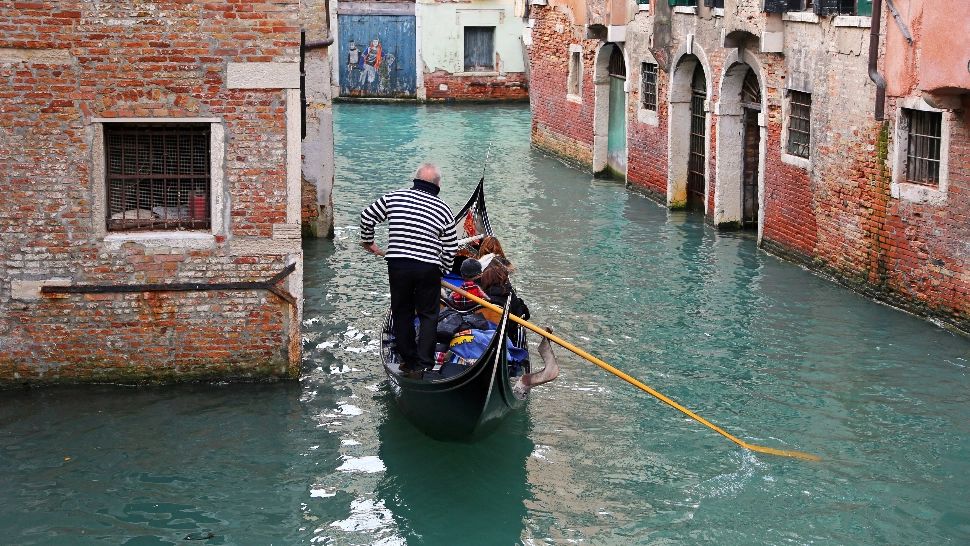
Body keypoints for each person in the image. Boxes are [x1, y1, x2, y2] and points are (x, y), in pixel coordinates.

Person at [360, 163, 458, 376]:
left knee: (402, 312)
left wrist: (369, 242)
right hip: (427, 268)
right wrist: (443, 270)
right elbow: (451, 246)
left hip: (398, 265)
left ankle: (408, 361)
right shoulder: (443, 208)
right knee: (428, 315)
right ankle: (424, 363)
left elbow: (367, 215)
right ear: (437, 184)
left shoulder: (395, 197)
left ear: (415, 180)